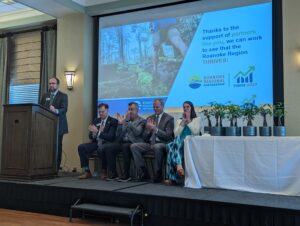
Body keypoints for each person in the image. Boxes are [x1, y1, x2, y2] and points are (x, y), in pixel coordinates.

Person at [131, 99, 174, 182]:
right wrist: (147, 130)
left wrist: (155, 129)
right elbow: (145, 138)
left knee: (157, 147)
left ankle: (158, 173)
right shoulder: (150, 118)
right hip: (150, 143)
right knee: (134, 146)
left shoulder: (169, 119)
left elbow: (168, 136)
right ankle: (143, 172)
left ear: (162, 106)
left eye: (157, 107)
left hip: (163, 144)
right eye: (154, 107)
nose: (155, 109)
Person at [105, 102, 146, 182]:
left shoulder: (142, 121)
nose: (130, 111)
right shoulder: (125, 120)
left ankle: (126, 175)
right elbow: (118, 135)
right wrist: (120, 124)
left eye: (132, 109)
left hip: (133, 143)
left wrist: (127, 122)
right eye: (129, 109)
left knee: (125, 146)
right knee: (109, 147)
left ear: (137, 110)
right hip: (122, 142)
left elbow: (137, 132)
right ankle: (113, 174)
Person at [164, 101, 201, 186]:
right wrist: (183, 123)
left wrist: (188, 120)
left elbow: (196, 132)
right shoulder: (179, 121)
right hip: (179, 143)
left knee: (171, 146)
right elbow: (176, 134)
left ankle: (172, 177)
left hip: (190, 143)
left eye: (187, 107)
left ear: (191, 108)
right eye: (184, 107)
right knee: (174, 143)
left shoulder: (196, 119)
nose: (185, 108)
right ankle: (179, 166)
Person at [77, 103, 118, 179]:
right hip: (96, 143)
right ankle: (87, 171)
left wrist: (98, 132)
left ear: (107, 110)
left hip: (107, 143)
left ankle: (104, 171)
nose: (101, 113)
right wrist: (93, 134)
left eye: (102, 111)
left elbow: (111, 137)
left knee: (102, 149)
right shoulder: (96, 120)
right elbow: (90, 136)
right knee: (81, 147)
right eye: (99, 112)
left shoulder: (113, 121)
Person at [40, 77, 68, 171]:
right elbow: (40, 108)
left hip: (59, 125)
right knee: (46, 146)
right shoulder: (45, 95)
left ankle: (55, 168)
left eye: (53, 83)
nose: (51, 85)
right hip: (46, 126)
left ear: (58, 85)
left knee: (57, 146)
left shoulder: (63, 96)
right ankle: (45, 166)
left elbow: (64, 109)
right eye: (50, 83)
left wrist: (56, 110)